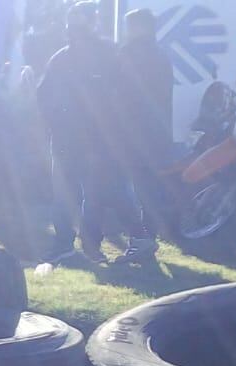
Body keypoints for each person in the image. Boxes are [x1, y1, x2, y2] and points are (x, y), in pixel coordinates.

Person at [37, 1, 146, 266]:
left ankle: (70, 244)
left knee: (71, 194)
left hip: (70, 140)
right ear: (94, 22)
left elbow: (42, 96)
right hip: (96, 140)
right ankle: (97, 244)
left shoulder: (61, 57)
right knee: (99, 192)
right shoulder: (108, 53)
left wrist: (54, 123)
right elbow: (129, 95)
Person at [117, 7, 174, 264]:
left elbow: (117, 95)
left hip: (131, 133)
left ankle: (139, 240)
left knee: (126, 189)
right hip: (157, 133)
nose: (127, 33)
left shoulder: (128, 55)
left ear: (139, 27)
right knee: (150, 189)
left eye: (130, 27)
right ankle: (148, 237)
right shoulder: (162, 55)